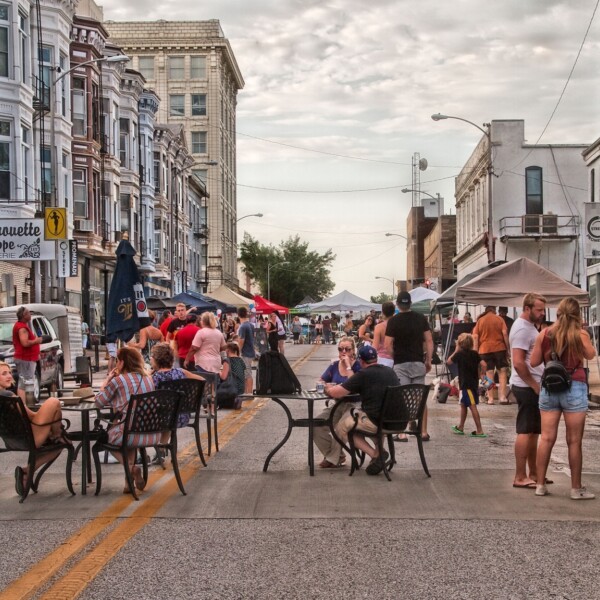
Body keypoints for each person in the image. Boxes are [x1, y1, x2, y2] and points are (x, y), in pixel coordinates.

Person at [530, 297, 596, 499]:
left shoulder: (545, 333)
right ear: (577, 315)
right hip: (574, 387)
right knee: (574, 441)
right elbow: (591, 355)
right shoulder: (580, 334)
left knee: (547, 438)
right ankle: (576, 489)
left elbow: (533, 362)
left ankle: (540, 485)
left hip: (550, 387)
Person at [325, 345, 399, 476]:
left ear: (361, 361)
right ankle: (378, 453)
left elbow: (336, 393)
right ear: (376, 358)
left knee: (343, 427)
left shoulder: (363, 374)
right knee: (356, 424)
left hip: (377, 422)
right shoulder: (390, 371)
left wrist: (328, 389)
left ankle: (376, 455)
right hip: (397, 421)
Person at [0, 361, 69, 497]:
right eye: (3, 374)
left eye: (9, 372)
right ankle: (57, 434)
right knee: (53, 402)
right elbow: (32, 416)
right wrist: (48, 416)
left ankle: (26, 471)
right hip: (30, 438)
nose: (9, 376)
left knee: (59, 445)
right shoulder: (9, 396)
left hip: (12, 440)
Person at [94, 347, 155, 494]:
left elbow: (99, 402)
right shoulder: (148, 378)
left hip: (130, 432)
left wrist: (108, 379)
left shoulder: (119, 380)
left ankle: (131, 468)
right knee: (128, 435)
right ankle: (128, 484)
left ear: (121, 363)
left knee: (105, 438)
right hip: (150, 433)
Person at [509, 293, 547, 489]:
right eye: (539, 310)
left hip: (530, 384)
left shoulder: (528, 327)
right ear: (527, 308)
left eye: (543, 310)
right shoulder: (523, 329)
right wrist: (534, 385)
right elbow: (517, 362)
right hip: (526, 386)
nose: (542, 313)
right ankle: (520, 475)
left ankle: (533, 472)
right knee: (525, 430)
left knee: (533, 431)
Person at [384, 291, 432, 441]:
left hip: (401, 364)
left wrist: (395, 356)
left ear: (398, 305)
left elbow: (387, 345)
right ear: (411, 303)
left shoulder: (393, 321)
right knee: (420, 398)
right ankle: (423, 432)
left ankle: (402, 432)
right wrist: (428, 360)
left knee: (403, 398)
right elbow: (429, 341)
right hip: (418, 362)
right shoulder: (421, 319)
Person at [149, 343, 205, 464]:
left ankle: (148, 451)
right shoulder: (181, 372)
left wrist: (149, 374)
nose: (150, 359)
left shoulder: (155, 377)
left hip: (159, 419)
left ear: (157, 360)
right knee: (169, 411)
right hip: (181, 416)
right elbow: (202, 380)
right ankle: (161, 449)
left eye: (151, 357)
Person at [314, 336, 361, 468]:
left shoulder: (358, 366)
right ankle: (336, 456)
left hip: (354, 405)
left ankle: (331, 459)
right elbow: (321, 380)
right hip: (337, 404)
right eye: (341, 349)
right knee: (316, 425)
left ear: (353, 351)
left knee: (342, 426)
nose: (343, 352)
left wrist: (347, 365)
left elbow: (354, 384)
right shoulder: (334, 365)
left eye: (347, 349)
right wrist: (324, 386)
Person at [447, 333, 487, 437]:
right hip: (473, 383)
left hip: (466, 384)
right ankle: (460, 426)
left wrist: (456, 350)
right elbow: (484, 364)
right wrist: (482, 374)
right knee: (463, 405)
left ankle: (479, 430)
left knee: (472, 406)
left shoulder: (459, 354)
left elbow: (449, 362)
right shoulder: (475, 354)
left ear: (460, 344)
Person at [472, 306, 510, 405]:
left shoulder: (480, 320)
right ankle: (502, 397)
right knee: (502, 372)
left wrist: (475, 352)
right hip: (499, 349)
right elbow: (505, 334)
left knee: (487, 374)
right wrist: (508, 348)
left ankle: (490, 399)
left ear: (486, 310)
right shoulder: (499, 319)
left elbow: (475, 336)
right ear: (493, 310)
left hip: (484, 350)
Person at [12, 306, 48, 404]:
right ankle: (25, 405)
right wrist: (37, 340)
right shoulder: (22, 327)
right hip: (25, 359)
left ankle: (24, 404)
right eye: (28, 313)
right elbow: (24, 343)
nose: (30, 314)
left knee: (23, 382)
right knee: (26, 382)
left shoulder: (22, 325)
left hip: (27, 358)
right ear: (24, 315)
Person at [236, 307, 255, 394]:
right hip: (250, 351)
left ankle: (249, 393)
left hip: (245, 353)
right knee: (247, 373)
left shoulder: (243, 326)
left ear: (238, 315)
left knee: (247, 374)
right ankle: (247, 392)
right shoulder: (250, 325)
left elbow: (241, 340)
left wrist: (238, 352)